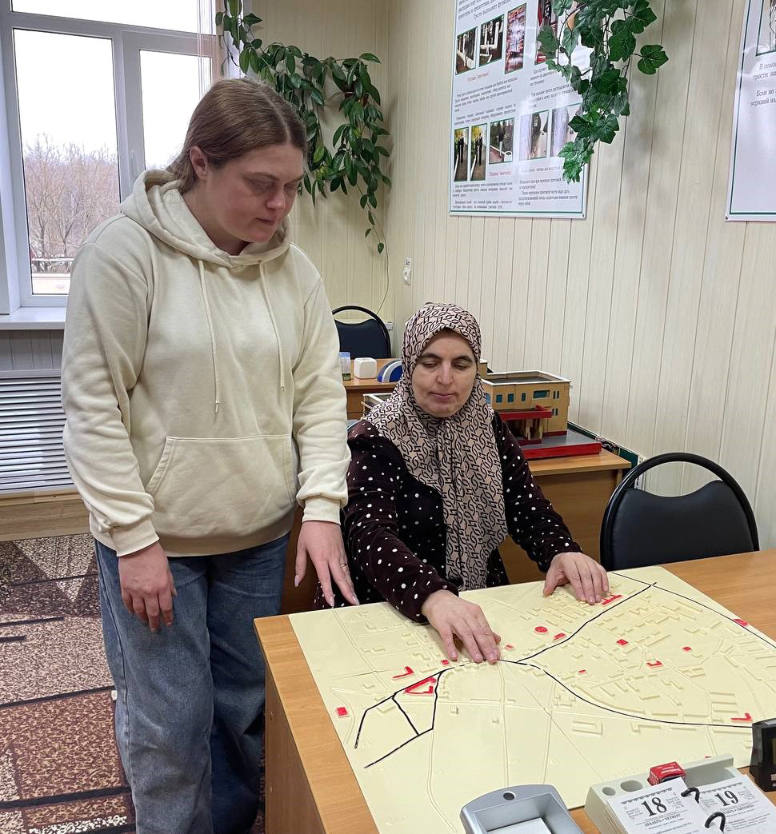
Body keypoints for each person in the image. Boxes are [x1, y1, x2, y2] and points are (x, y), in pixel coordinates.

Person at [62, 78, 357, 834]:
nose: (280, 205)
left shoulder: (295, 272)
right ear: (200, 162)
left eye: (292, 186)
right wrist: (133, 538)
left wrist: (322, 507)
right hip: (156, 541)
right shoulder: (122, 254)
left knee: (241, 706)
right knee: (171, 720)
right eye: (261, 184)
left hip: (257, 535)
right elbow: (93, 409)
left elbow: (321, 396)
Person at [316, 303, 609, 664]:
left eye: (461, 364)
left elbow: (526, 507)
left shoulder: (487, 427)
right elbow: (369, 536)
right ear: (409, 365)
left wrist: (562, 551)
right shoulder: (376, 436)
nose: (445, 378)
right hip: (390, 605)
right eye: (430, 363)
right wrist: (432, 596)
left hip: (474, 601)